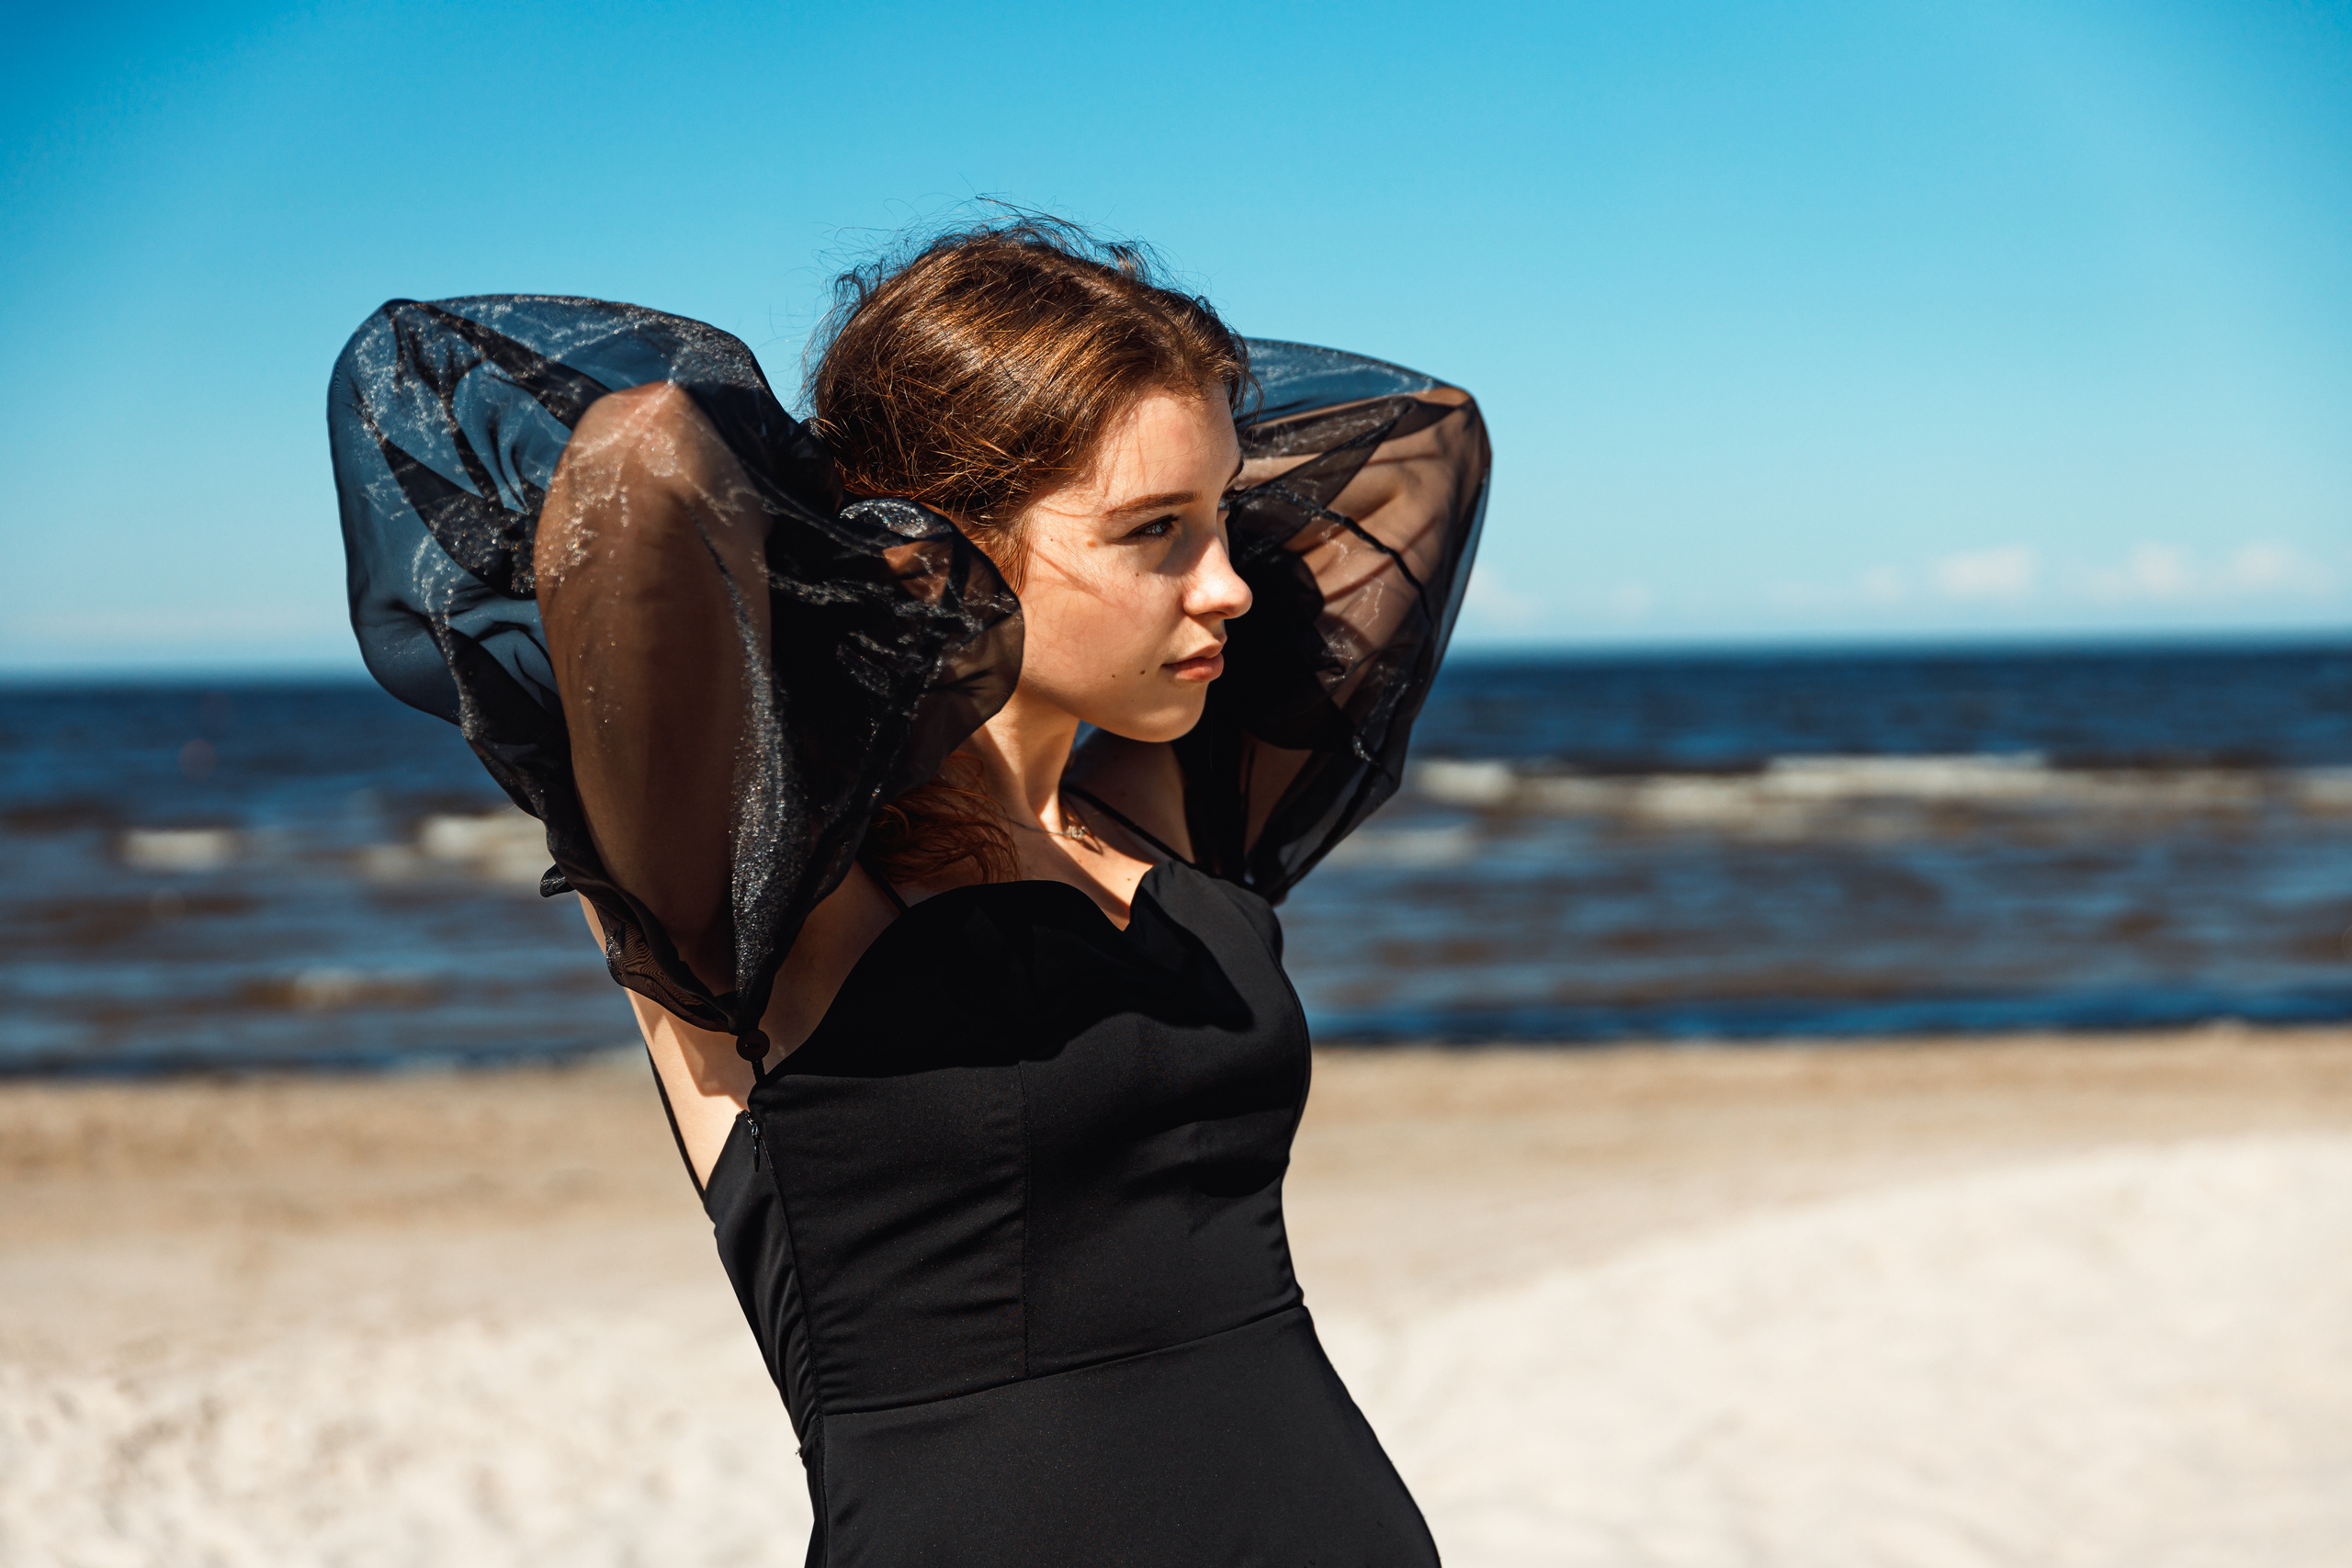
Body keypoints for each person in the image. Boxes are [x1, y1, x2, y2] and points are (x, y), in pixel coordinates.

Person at [329, 216, 1488, 1565]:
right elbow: (643, 459)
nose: (1227, 583)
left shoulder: (1177, 834)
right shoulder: (766, 889)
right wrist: (856, 546)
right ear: (947, 545)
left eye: (1224, 516)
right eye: (1155, 532)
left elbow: (1426, 439)